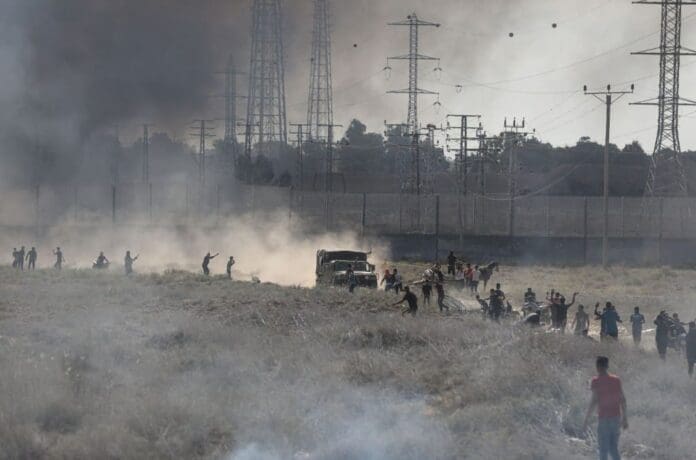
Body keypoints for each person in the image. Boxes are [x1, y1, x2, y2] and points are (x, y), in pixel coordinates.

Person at [583, 356, 628, 460]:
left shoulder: (596, 381)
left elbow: (594, 401)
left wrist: (586, 419)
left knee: (603, 449)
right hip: (616, 417)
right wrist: (625, 418)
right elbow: (623, 400)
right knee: (613, 448)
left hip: (604, 418)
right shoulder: (616, 380)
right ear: (607, 366)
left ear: (597, 366)